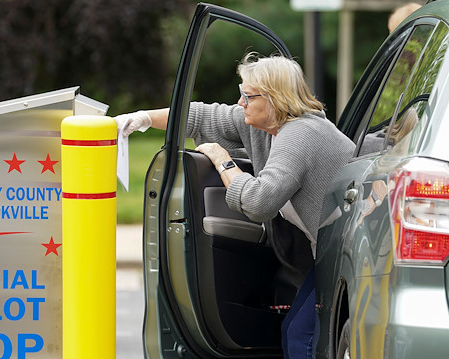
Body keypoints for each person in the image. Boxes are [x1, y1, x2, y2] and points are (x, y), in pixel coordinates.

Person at [116, 53, 355, 359]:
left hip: (344, 254)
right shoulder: (267, 125)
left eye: (246, 95)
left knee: (302, 336)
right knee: (295, 331)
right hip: (328, 253)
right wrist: (143, 119)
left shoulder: (300, 135)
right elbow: (202, 116)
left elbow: (258, 202)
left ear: (273, 98)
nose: (240, 102)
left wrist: (223, 160)